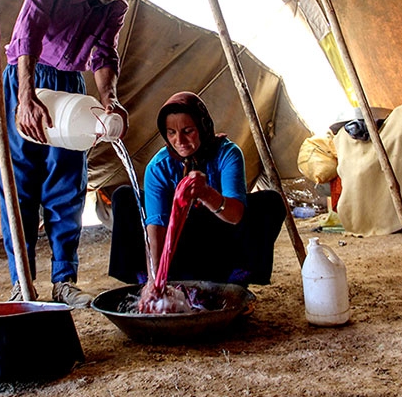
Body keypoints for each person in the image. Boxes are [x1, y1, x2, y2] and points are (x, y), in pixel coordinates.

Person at [0, 0, 152, 307]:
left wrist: (109, 100)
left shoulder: (115, 8)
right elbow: (27, 35)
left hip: (68, 85)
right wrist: (25, 97)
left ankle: (64, 280)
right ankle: (23, 282)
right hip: (27, 75)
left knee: (68, 182)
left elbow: (104, 54)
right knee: (19, 181)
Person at [108, 91, 286, 288]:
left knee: (270, 202)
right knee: (124, 198)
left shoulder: (227, 154)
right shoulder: (159, 167)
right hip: (177, 250)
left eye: (188, 131)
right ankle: (145, 281)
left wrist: (206, 194)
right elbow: (156, 226)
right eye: (171, 133)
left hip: (219, 249)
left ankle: (235, 283)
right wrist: (155, 282)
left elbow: (236, 215)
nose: (180, 141)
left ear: (203, 127)